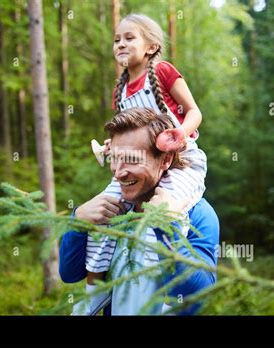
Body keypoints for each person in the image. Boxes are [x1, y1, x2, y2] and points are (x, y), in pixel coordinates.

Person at [84, 13, 209, 314]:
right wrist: (111, 147)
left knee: (166, 208)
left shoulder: (163, 71)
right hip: (136, 164)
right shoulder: (121, 88)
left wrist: (180, 131)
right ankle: (93, 293)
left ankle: (168, 294)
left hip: (179, 160)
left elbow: (194, 111)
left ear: (151, 47)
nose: (121, 44)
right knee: (104, 213)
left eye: (129, 38)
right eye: (116, 40)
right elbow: (127, 132)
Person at [60, 108, 219, 315]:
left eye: (132, 159)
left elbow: (198, 295)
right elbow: (69, 274)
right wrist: (77, 222)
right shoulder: (111, 210)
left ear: (165, 160)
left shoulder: (199, 215)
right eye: (114, 158)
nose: (118, 172)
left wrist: (168, 228)